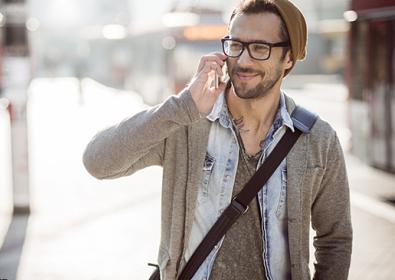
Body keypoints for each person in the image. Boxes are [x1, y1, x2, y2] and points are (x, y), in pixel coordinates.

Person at [83, 0, 352, 279]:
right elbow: (97, 161)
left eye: (260, 48)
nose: (244, 60)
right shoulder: (187, 124)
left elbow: (335, 240)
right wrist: (184, 105)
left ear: (289, 58)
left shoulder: (318, 140)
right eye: (236, 45)